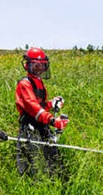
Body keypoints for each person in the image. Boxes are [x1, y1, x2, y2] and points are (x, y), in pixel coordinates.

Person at [15, 47, 70, 179]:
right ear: (27, 65)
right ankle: (28, 187)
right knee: (30, 163)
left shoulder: (40, 84)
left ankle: (54, 184)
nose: (38, 68)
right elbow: (32, 106)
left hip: (41, 125)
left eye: (41, 65)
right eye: (35, 64)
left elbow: (40, 105)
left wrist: (52, 103)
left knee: (53, 158)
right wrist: (52, 120)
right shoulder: (24, 83)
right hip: (29, 127)